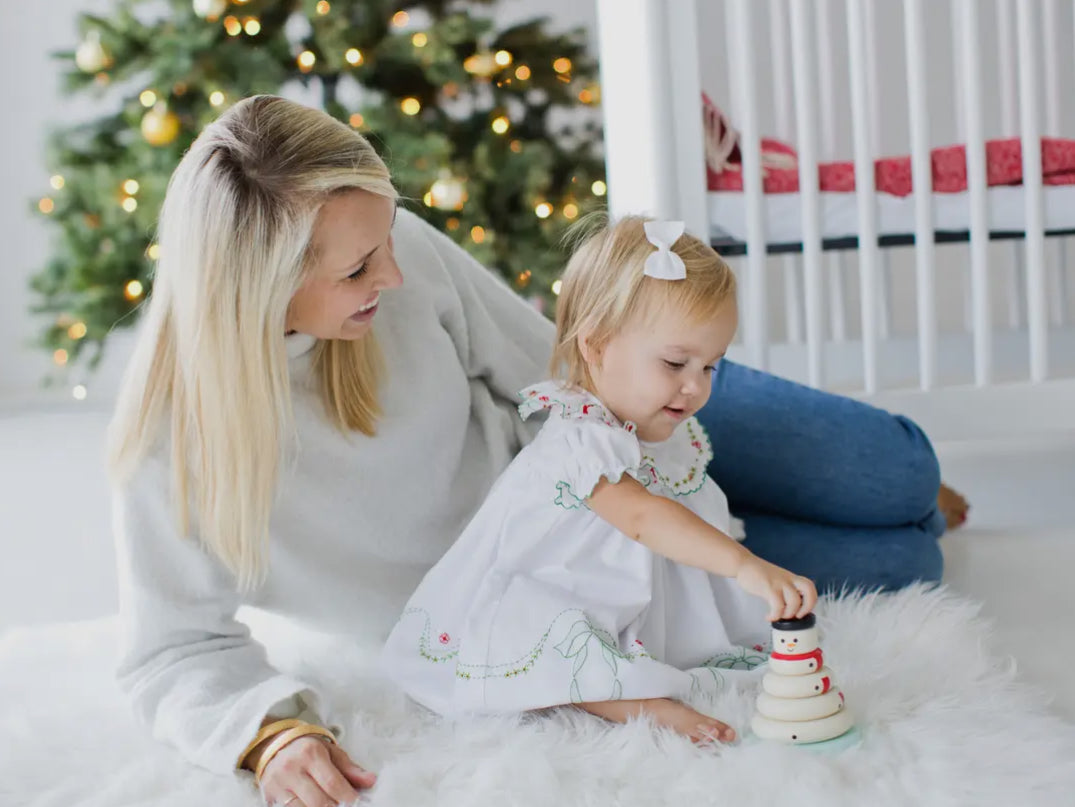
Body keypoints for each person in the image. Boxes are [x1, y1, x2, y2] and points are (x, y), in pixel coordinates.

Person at [109, 95, 963, 807]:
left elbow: (542, 366)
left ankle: (895, 493)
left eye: (390, 240)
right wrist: (269, 730)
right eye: (361, 267)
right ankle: (897, 516)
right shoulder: (170, 436)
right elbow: (172, 647)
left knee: (893, 471)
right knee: (901, 558)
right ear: (264, 281)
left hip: (612, 420)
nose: (395, 277)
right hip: (546, 580)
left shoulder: (391, 260)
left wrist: (662, 453)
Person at [381, 217, 817, 743]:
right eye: (676, 362)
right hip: (561, 584)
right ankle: (628, 700)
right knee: (554, 634)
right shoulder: (582, 438)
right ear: (597, 347)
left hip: (632, 591)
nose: (695, 387)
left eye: (710, 368)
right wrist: (744, 566)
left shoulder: (663, 424)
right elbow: (643, 517)